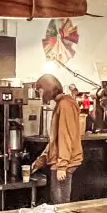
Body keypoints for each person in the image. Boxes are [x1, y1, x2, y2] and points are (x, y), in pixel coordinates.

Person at [31, 74, 83, 204]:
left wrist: (62, 166)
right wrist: (40, 161)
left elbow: (65, 136)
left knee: (60, 207)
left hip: (63, 163)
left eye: (40, 91)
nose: (40, 95)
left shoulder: (65, 105)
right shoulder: (62, 104)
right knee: (58, 204)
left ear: (48, 89)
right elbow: (55, 139)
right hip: (60, 161)